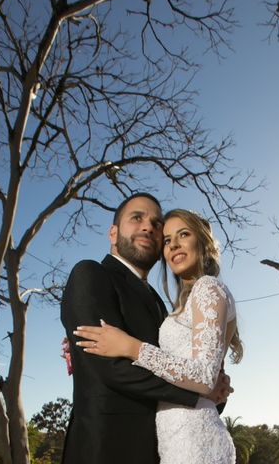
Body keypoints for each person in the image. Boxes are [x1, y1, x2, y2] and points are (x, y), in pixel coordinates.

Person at [60, 194, 230, 464]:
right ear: (113, 233)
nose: (148, 226)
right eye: (136, 218)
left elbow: (184, 368)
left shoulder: (161, 306)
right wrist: (197, 393)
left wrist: (212, 395)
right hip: (105, 449)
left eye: (156, 223)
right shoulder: (90, 274)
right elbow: (110, 368)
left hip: (164, 449)